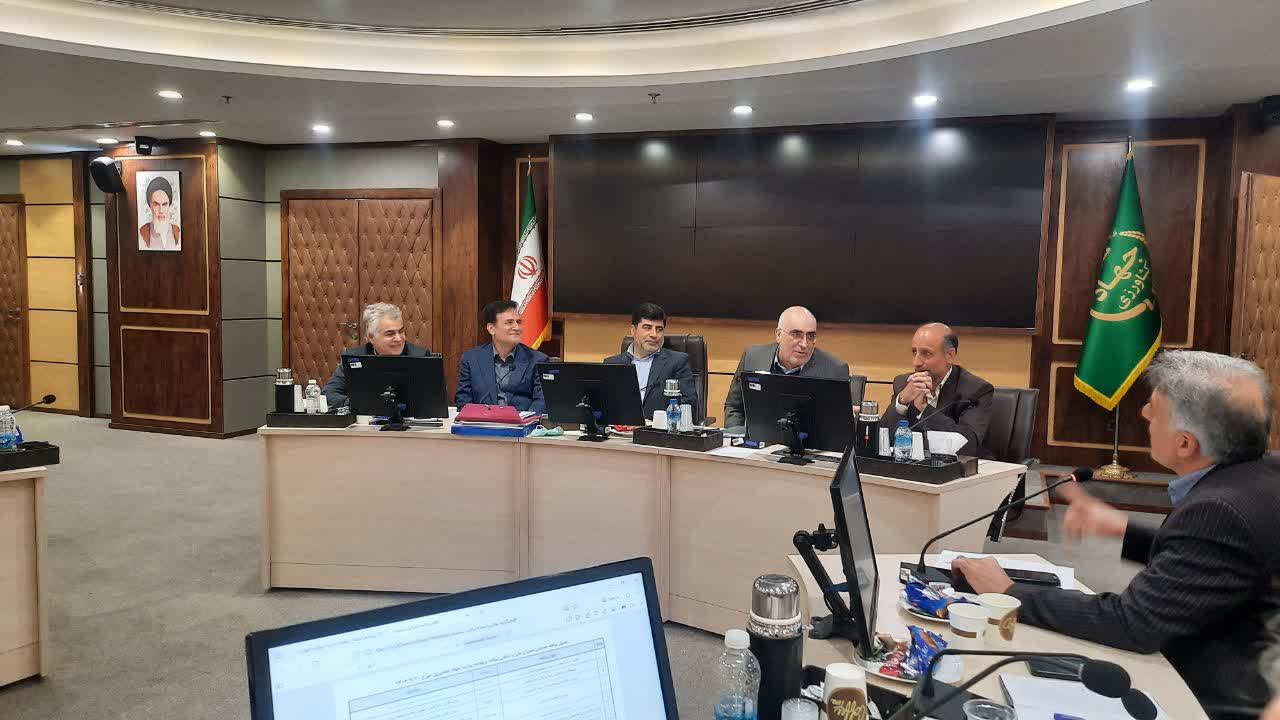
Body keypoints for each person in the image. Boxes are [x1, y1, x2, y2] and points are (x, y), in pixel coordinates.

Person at [951, 350, 1280, 715]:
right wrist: (1124, 530)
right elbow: (1212, 562)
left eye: (1155, 409)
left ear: (1185, 443)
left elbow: (1131, 623)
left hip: (1208, 696)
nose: (1144, 413)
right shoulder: (1262, 474)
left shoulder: (1218, 511)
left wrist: (1009, 592)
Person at [722, 306, 851, 429]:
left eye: (811, 336)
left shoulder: (834, 371)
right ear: (778, 335)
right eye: (796, 334)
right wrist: (737, 437)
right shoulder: (752, 357)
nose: (804, 344)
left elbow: (838, 426)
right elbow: (735, 407)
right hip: (757, 441)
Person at [879, 323, 994, 458]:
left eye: (926, 353)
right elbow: (883, 439)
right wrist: (902, 402)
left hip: (964, 467)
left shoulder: (975, 390)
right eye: (914, 352)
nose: (916, 362)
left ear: (950, 355)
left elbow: (968, 445)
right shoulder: (904, 384)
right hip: (915, 465)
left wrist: (924, 409)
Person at [322, 302, 430, 409]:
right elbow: (328, 394)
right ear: (371, 337)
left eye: (401, 331)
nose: (398, 338)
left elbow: (431, 399)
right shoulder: (354, 357)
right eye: (390, 334)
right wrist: (361, 404)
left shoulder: (420, 357)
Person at [603, 302, 698, 421]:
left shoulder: (677, 362)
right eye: (647, 327)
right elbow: (602, 404)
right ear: (633, 330)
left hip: (658, 430)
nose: (654, 335)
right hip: (619, 429)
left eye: (659, 329)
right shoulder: (612, 364)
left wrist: (656, 421)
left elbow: (688, 405)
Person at [455, 300, 548, 414]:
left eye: (518, 322)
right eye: (509, 322)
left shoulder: (538, 360)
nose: (517, 327)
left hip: (521, 423)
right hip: (483, 422)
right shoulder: (471, 359)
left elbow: (542, 402)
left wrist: (524, 420)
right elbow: (463, 401)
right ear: (491, 328)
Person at [138, 175, 181, 250]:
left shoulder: (177, 232)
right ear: (150, 206)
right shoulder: (142, 233)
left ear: (169, 205)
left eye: (164, 204)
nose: (161, 210)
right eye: (156, 204)